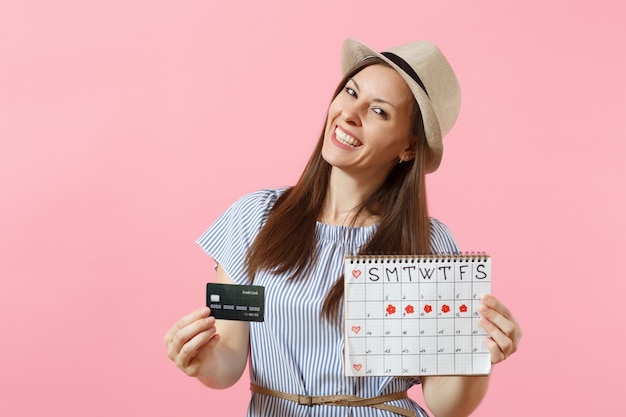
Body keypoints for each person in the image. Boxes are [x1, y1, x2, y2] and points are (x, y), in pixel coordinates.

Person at [164, 37, 522, 417]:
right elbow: (229, 361)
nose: (350, 114)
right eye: (350, 92)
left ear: (409, 147)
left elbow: (445, 403)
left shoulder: (427, 245)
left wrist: (476, 360)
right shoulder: (253, 218)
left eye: (379, 112)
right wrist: (203, 359)